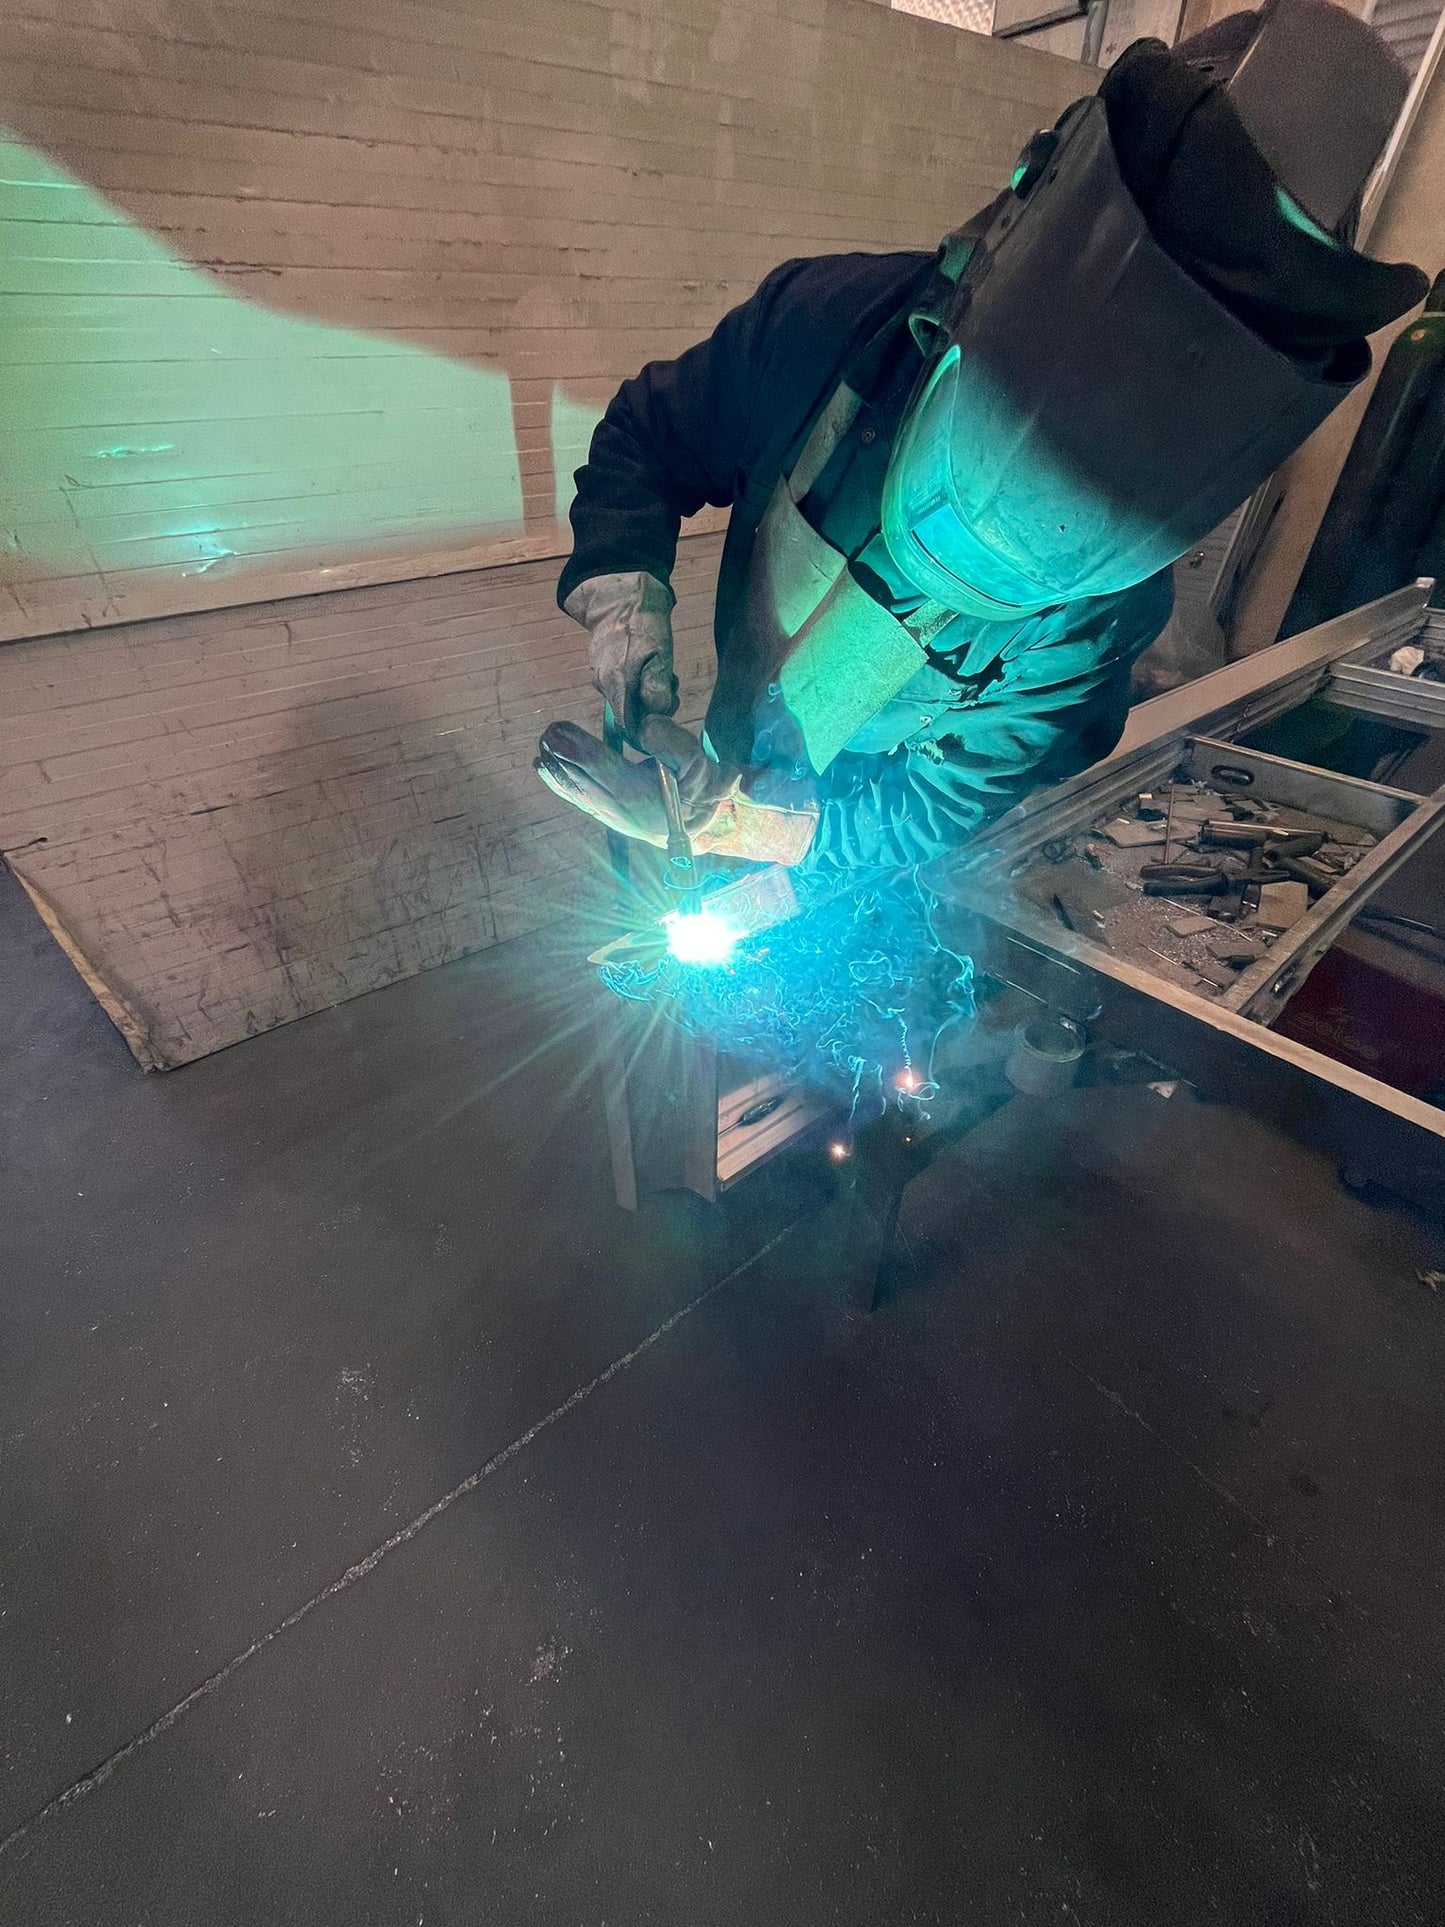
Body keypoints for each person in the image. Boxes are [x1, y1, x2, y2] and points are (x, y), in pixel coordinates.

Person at [537, 0, 1426, 878]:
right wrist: (625, 606)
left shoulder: (1099, 611)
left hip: (854, 836)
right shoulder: (821, 330)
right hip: (729, 738)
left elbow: (941, 802)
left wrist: (747, 828)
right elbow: (647, 438)